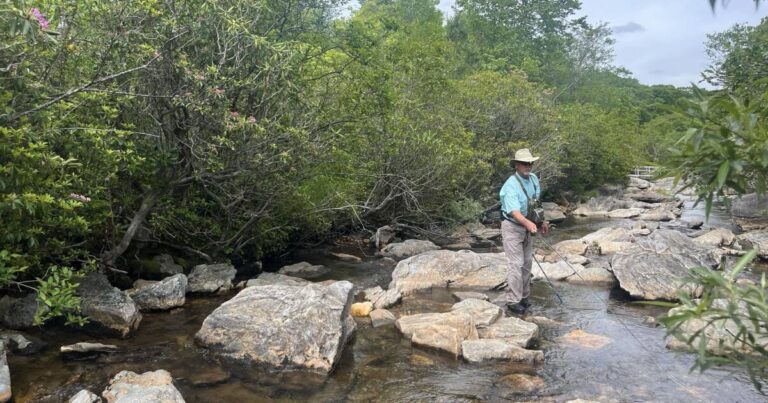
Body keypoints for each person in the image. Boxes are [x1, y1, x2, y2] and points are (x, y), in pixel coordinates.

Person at [495, 148, 549, 315]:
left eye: (530, 163)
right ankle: (513, 301)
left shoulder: (533, 179)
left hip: (527, 226)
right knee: (516, 264)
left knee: (527, 263)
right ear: (517, 165)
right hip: (512, 227)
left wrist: (541, 222)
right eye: (525, 163)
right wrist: (528, 223)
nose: (529, 166)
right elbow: (514, 212)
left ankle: (524, 297)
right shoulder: (509, 186)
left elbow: (536, 203)